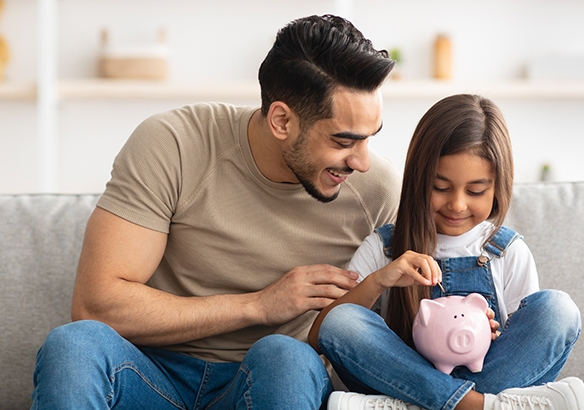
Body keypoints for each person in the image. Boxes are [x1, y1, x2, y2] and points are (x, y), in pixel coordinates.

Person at [31, 14, 400, 410]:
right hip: (149, 373)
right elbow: (96, 304)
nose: (361, 162)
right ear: (281, 120)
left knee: (287, 356)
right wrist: (258, 305)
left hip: (268, 380)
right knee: (73, 345)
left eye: (369, 139)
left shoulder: (377, 190)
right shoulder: (173, 144)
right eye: (344, 141)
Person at [308, 94, 584, 410]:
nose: (457, 204)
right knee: (343, 320)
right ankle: (477, 406)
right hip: (403, 377)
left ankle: (417, 405)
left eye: (475, 191)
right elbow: (322, 334)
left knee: (557, 310)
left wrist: (493, 332)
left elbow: (520, 353)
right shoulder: (385, 247)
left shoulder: (507, 252)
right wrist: (379, 281)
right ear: (418, 180)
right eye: (440, 187)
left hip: (474, 376)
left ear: (498, 187)